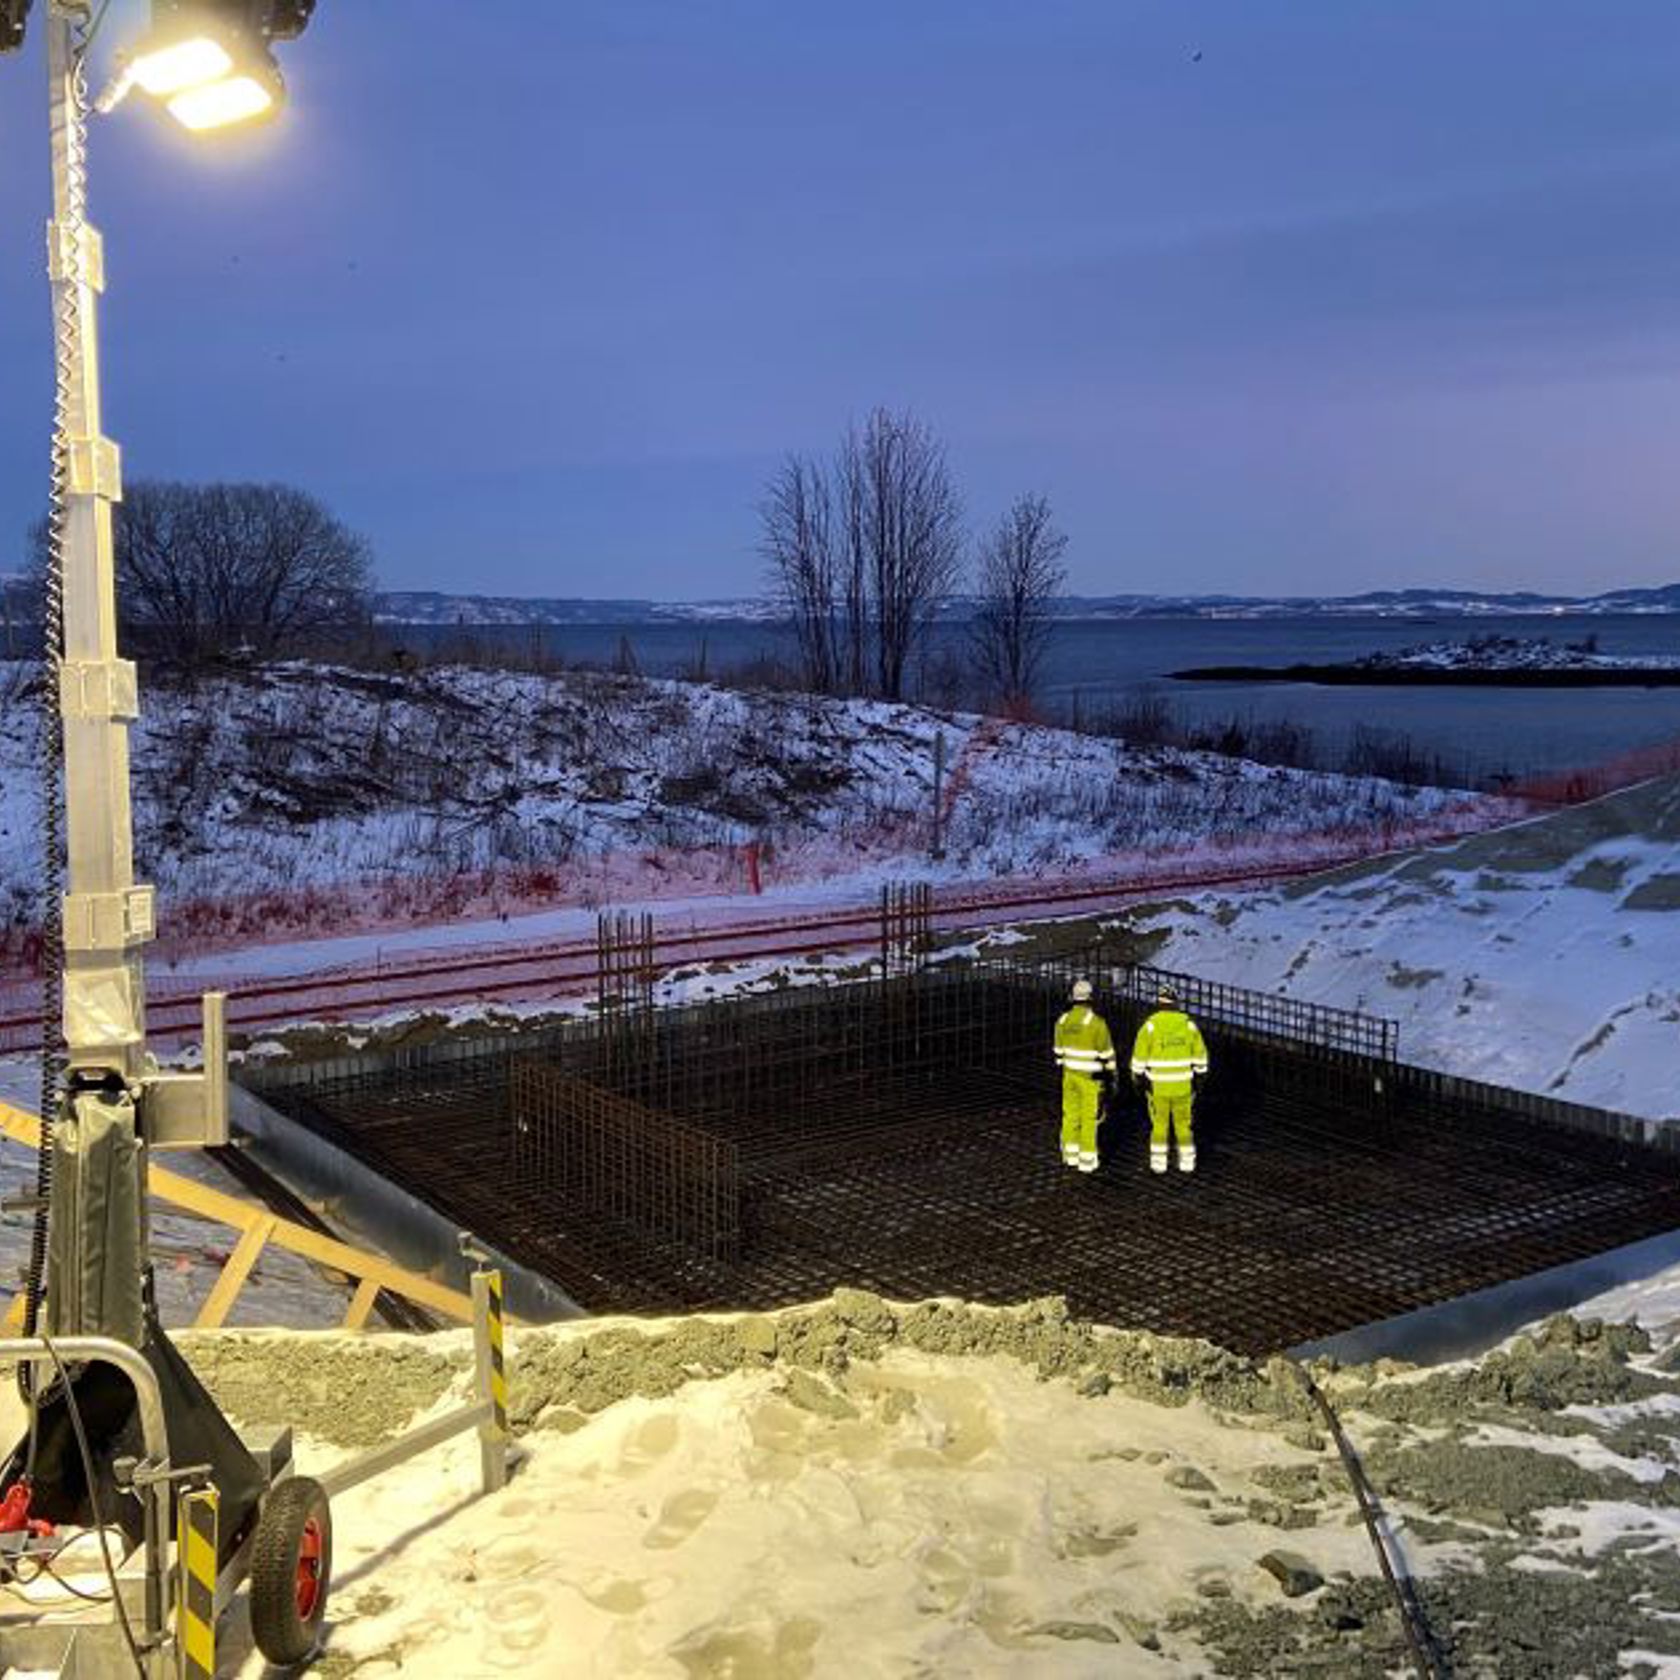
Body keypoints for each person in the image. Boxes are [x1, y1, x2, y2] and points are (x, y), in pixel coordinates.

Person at [1130, 984, 1209, 1174]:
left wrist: (1138, 1080)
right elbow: (1201, 1058)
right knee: (1184, 1125)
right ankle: (1187, 1163)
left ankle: (1159, 1163)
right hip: (1183, 1087)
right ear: (1177, 1003)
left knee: (1159, 1125)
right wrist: (1200, 1079)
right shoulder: (1189, 1026)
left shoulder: (1149, 1027)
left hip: (1158, 1088)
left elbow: (1138, 1060)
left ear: (1159, 1002)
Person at [1053, 978, 1116, 1172]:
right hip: (1091, 1079)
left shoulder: (1062, 1020)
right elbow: (1107, 1054)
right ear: (1091, 998)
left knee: (1070, 1115)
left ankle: (1070, 1156)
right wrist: (1111, 1076)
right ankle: (1087, 1162)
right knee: (1090, 1119)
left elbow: (1058, 1053)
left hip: (1069, 1076)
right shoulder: (1097, 1023)